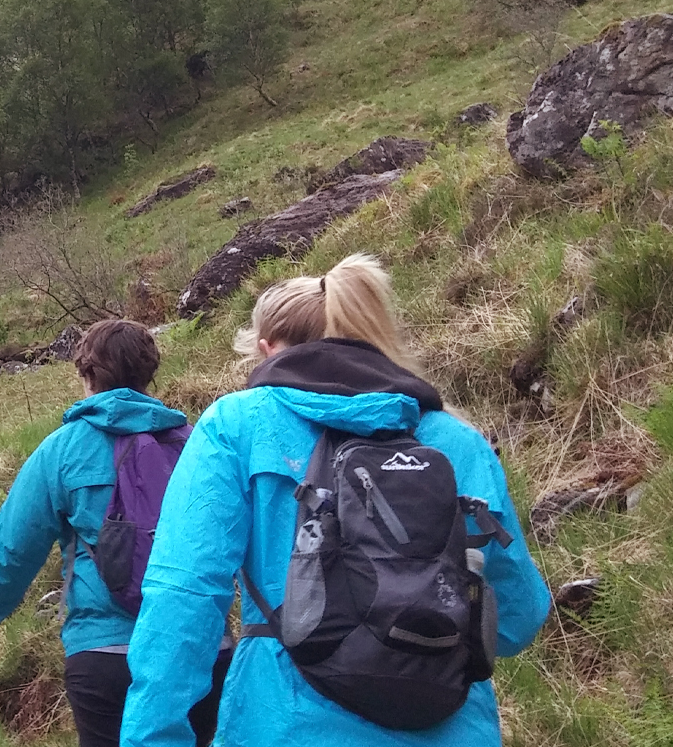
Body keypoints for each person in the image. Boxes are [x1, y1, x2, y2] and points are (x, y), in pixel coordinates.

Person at [122, 255, 550, 747]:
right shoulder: (453, 439)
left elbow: (184, 597)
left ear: (267, 350)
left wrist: (152, 735)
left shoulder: (237, 424)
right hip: (451, 727)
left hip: (283, 725)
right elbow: (519, 618)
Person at [0, 319, 229, 747]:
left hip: (105, 653)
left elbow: (15, 546)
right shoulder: (196, 444)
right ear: (149, 374)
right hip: (200, 646)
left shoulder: (63, 449)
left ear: (87, 375)